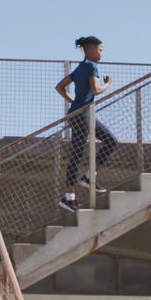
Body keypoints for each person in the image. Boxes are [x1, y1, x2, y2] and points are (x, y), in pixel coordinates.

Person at [54, 36, 118, 212]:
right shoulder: (91, 66)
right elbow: (95, 89)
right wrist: (108, 84)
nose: (102, 53)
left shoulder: (80, 67)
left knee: (81, 152)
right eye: (100, 49)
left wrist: (73, 101)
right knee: (104, 143)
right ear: (90, 49)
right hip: (82, 115)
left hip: (78, 113)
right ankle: (71, 194)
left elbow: (59, 87)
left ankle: (84, 182)